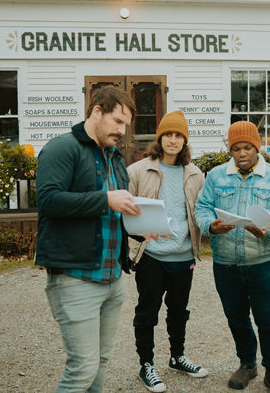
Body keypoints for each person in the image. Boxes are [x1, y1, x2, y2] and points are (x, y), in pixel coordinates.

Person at [35, 85, 143, 392]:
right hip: (74, 279)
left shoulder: (114, 158)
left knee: (101, 363)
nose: (122, 131)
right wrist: (105, 199)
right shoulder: (62, 148)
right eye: (117, 121)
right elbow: (48, 200)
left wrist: (141, 225)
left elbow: (116, 212)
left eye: (126, 125)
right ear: (97, 112)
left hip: (112, 280)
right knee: (82, 369)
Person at [194, 121, 270, 393]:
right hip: (226, 263)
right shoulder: (216, 176)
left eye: (247, 148)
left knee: (268, 320)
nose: (242, 154)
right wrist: (210, 225)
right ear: (230, 150)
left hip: (262, 263)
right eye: (236, 148)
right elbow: (202, 207)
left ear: (257, 147)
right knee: (236, 317)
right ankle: (247, 364)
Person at [126, 110, 207, 392]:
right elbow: (126, 214)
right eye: (168, 135)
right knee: (147, 311)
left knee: (178, 310)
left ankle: (177, 356)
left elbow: (201, 212)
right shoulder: (137, 170)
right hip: (152, 255)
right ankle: (146, 364)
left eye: (178, 136)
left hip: (183, 255)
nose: (173, 140)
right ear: (159, 138)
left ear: (185, 141)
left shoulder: (195, 174)